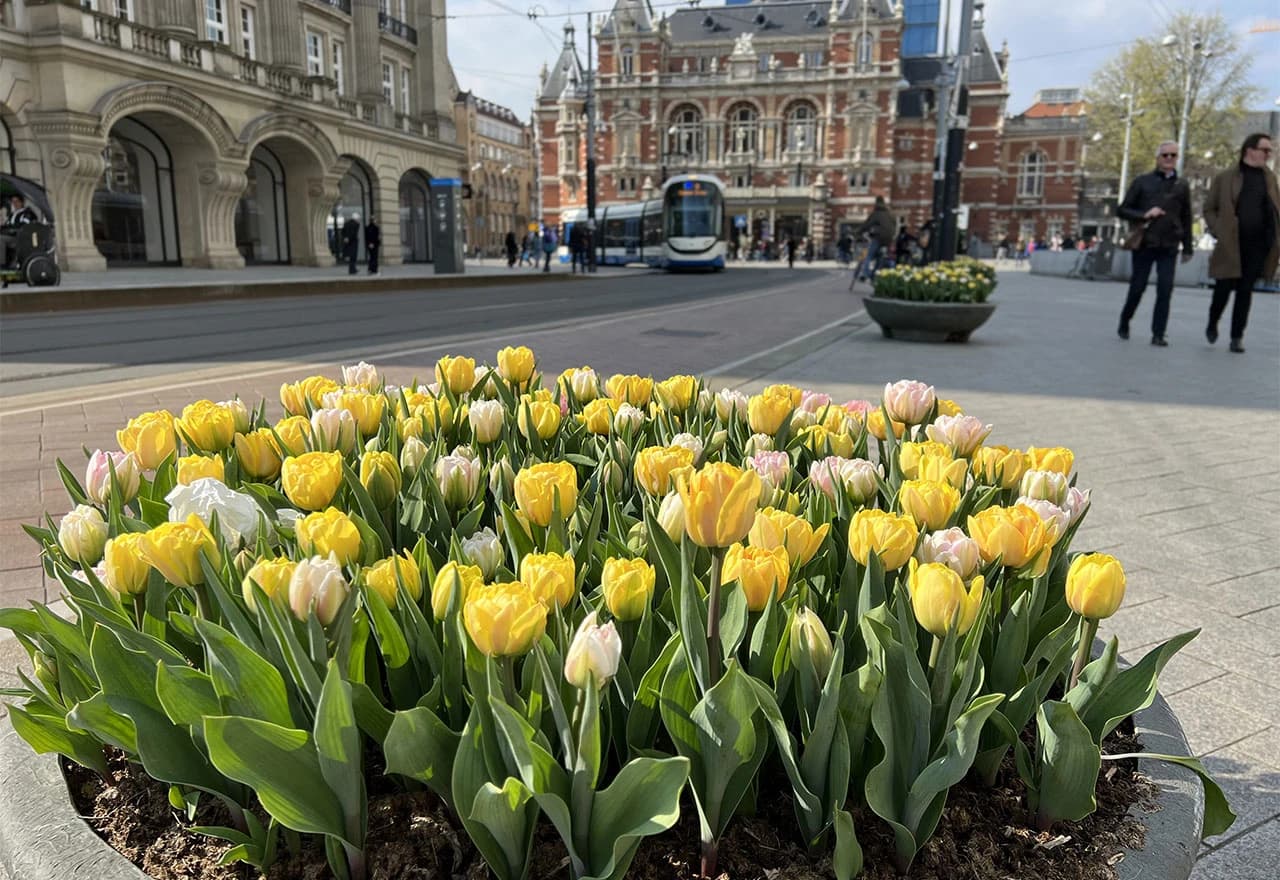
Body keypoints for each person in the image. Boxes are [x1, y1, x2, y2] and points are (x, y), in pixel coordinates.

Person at [1203, 133, 1279, 354]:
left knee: (1245, 292)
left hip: (1257, 245)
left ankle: (1237, 337)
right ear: (1250, 150)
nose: (1268, 154)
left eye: (1269, 151)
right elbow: (1209, 208)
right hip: (1231, 243)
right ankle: (1212, 322)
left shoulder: (1270, 178)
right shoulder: (1226, 177)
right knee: (1223, 289)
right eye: (1264, 150)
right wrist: (1218, 229)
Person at [1115, 141, 1193, 346]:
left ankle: (1159, 333)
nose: (1169, 159)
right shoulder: (1142, 181)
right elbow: (1122, 210)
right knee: (1138, 287)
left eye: (1173, 156)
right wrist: (1144, 214)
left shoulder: (1182, 186)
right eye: (1165, 155)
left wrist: (1188, 246)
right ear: (1158, 158)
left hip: (1169, 245)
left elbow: (1187, 216)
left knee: (1165, 290)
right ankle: (1125, 320)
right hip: (1145, 244)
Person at [851, 195, 895, 288]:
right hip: (888, 239)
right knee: (880, 257)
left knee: (868, 255)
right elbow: (894, 225)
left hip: (878, 237)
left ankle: (866, 274)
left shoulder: (876, 213)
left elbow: (866, 225)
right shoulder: (889, 214)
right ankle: (874, 275)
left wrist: (857, 231)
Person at [0, 194, 38, 269]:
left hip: (21, 238)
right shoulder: (13, 214)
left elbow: (24, 226)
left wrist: (10, 229)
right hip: (11, 236)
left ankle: (1, 264)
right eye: (13, 202)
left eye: (16, 201)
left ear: (21, 202)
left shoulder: (27, 213)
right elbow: (7, 225)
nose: (15, 204)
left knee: (0, 239)